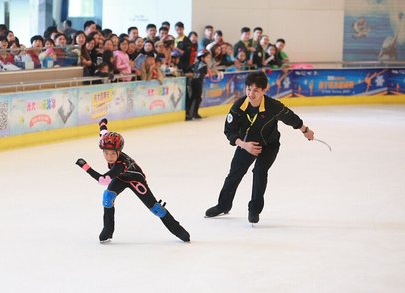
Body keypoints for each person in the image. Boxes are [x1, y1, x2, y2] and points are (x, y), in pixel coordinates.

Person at [205, 71, 315, 224]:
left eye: (256, 90)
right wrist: (244, 145)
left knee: (259, 172)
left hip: (269, 144)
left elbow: (291, 118)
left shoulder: (273, 106)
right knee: (234, 173)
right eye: (248, 89)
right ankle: (223, 205)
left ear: (264, 90)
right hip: (247, 143)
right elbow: (229, 131)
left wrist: (305, 130)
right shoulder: (238, 107)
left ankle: (254, 210)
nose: (251, 93)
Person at [75, 119, 190, 243]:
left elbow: (103, 180)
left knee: (156, 208)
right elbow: (103, 133)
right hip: (120, 178)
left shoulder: (121, 164)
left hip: (135, 180)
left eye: (112, 154)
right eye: (105, 153)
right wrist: (102, 124)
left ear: (119, 151)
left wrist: (85, 167)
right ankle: (107, 230)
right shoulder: (108, 143)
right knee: (107, 197)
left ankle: (179, 230)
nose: (109, 157)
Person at [186, 49, 211, 121]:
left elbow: (189, 68)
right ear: (202, 58)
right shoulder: (204, 65)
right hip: (198, 82)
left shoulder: (196, 63)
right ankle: (194, 113)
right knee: (197, 98)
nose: (208, 59)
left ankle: (189, 113)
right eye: (207, 57)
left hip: (193, 81)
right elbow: (206, 73)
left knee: (193, 98)